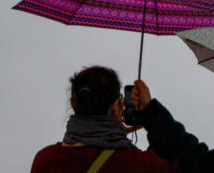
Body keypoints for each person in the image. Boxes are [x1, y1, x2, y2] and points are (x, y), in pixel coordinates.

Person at [31, 65, 177, 173]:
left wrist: (111, 137)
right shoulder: (137, 163)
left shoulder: (44, 161)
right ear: (115, 107)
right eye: (121, 100)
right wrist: (155, 120)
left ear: (73, 103)